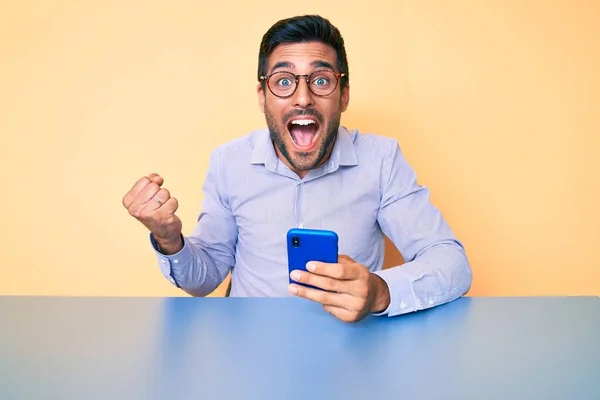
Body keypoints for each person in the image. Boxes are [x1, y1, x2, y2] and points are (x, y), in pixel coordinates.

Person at [122, 14, 472, 322]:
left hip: (351, 353)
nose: (303, 98)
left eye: (320, 80)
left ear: (344, 94)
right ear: (262, 96)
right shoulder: (229, 163)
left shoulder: (381, 160)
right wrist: (170, 241)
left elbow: (451, 264)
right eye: (284, 81)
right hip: (252, 356)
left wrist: (381, 291)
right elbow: (204, 278)